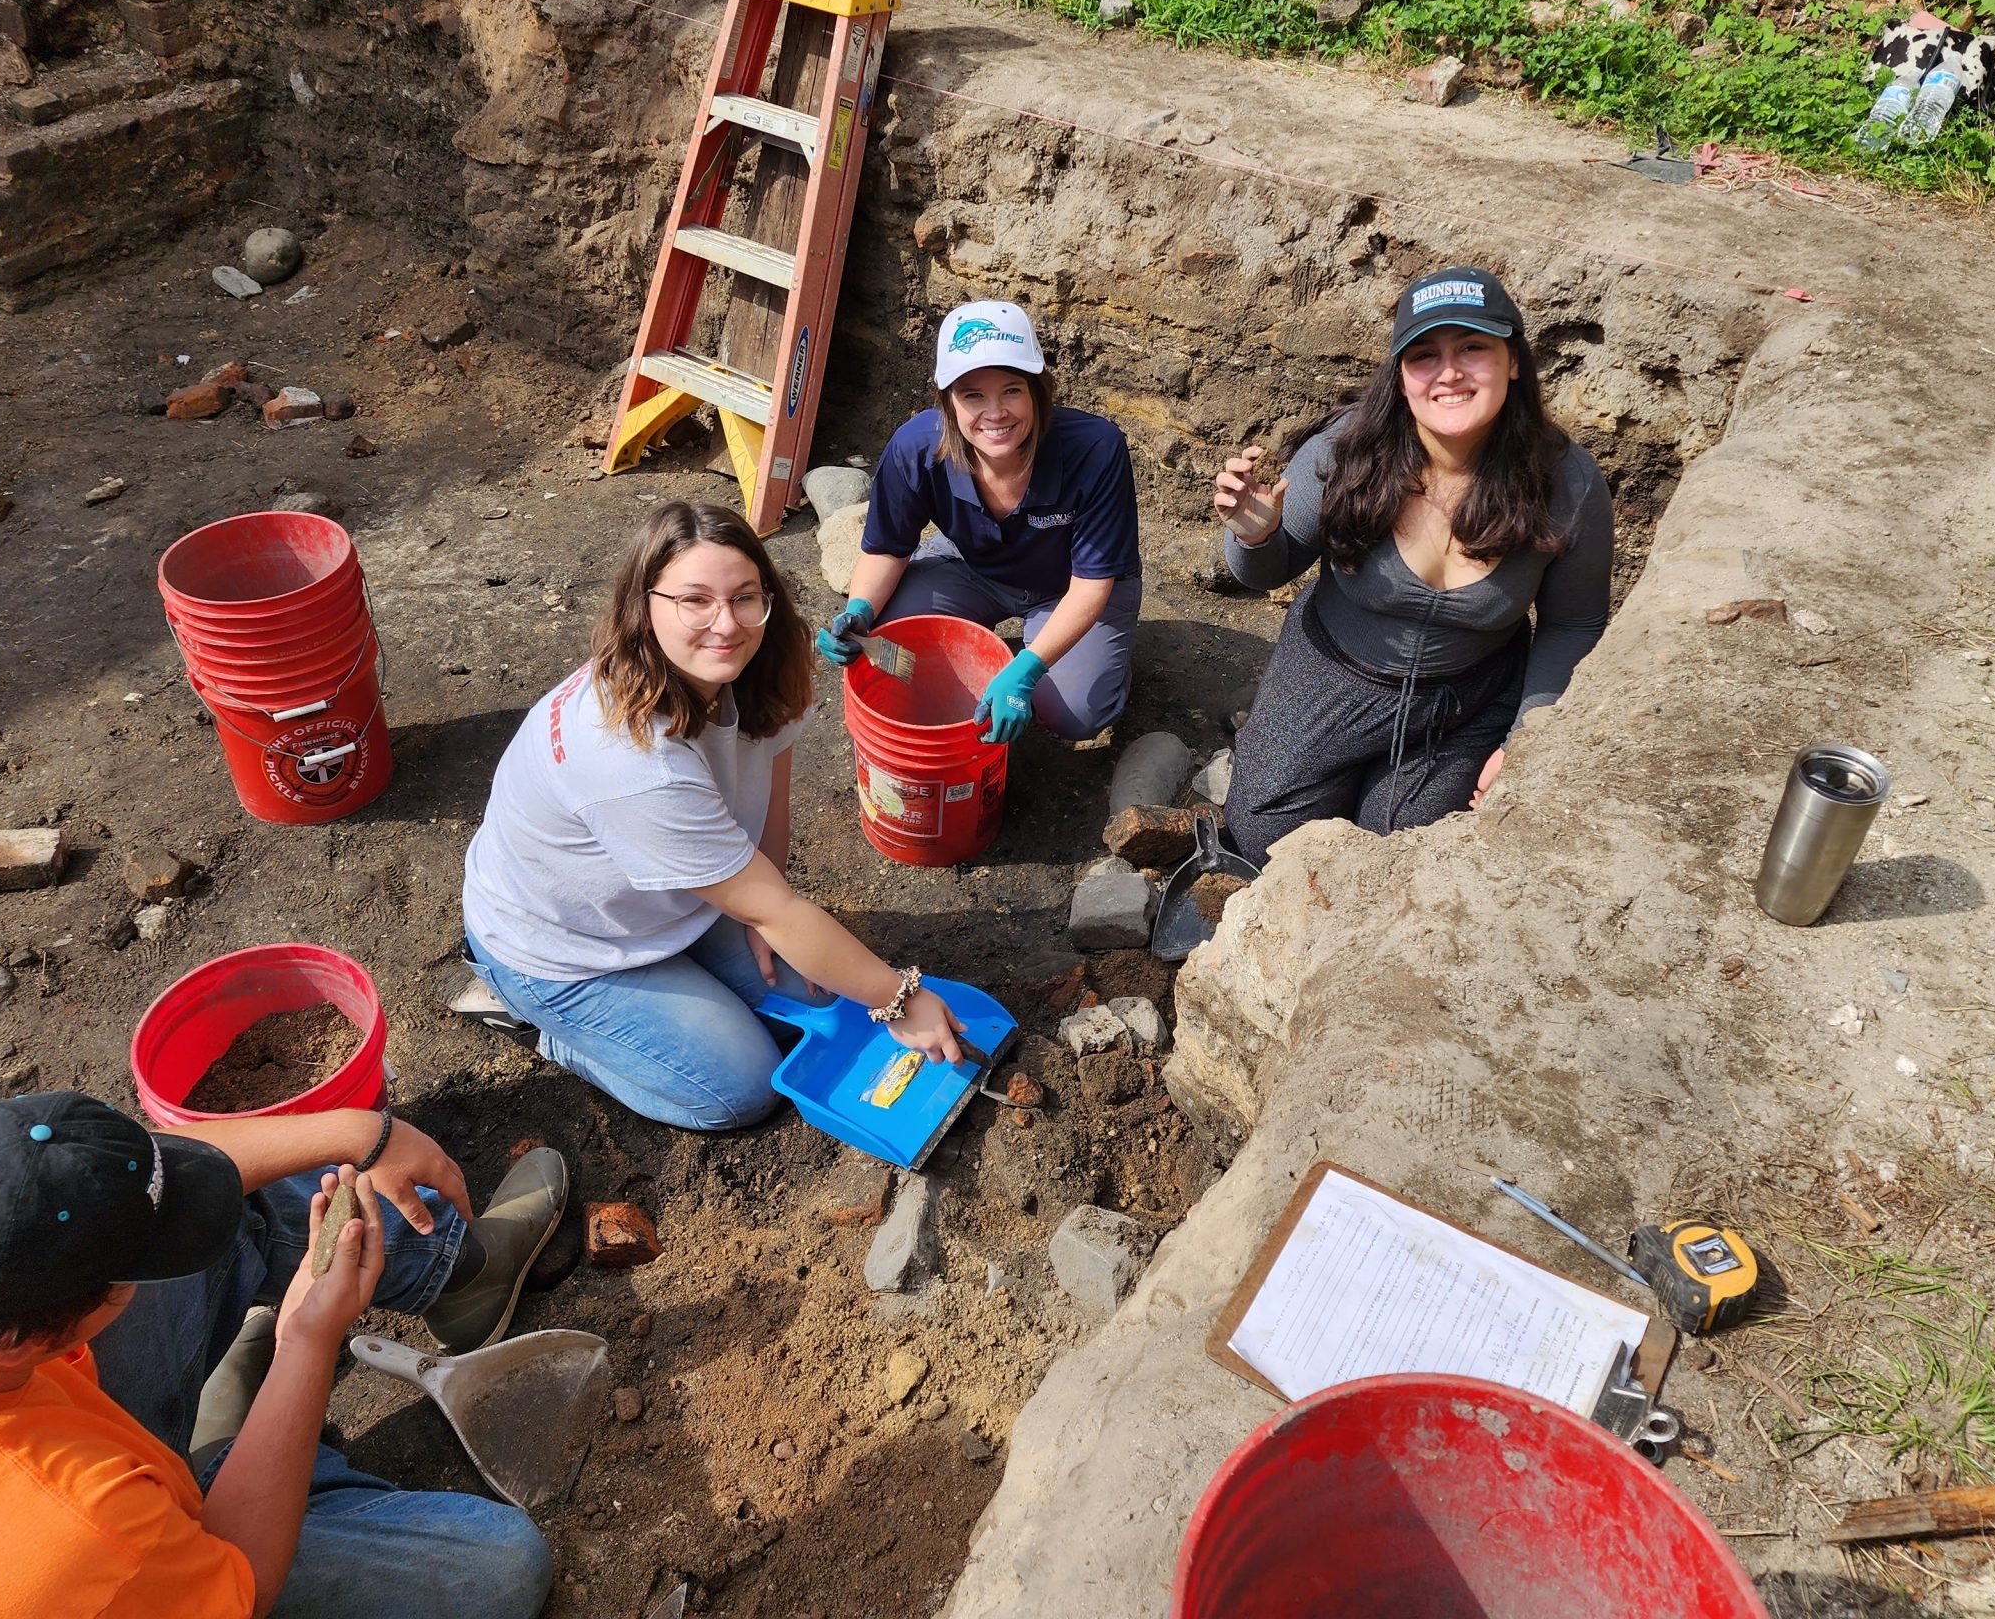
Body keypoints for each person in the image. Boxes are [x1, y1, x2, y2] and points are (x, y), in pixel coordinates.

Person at [0, 1088, 566, 1619]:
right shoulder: (71, 1532)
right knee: (495, 1571)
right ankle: (233, 1463)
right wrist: (305, 1341)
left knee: (217, 1207)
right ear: (24, 1343)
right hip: (76, 1577)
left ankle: (460, 1281)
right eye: (123, 1273)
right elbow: (245, 1577)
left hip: (7, 1512)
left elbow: (148, 1179)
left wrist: (361, 1132)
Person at [457, 499, 968, 1131]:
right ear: (645, 606)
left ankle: (697, 980)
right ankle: (551, 1028)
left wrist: (764, 901)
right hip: (564, 947)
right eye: (694, 600)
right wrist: (899, 998)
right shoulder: (631, 758)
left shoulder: (764, 665)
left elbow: (769, 787)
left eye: (744, 597)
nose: (726, 624)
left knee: (822, 992)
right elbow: (775, 910)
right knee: (740, 1087)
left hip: (678, 899)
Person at [1213, 265, 1614, 861]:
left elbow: (1572, 624)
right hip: (1330, 677)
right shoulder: (1345, 453)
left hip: (1464, 701)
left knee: (1402, 856)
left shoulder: (1569, 485)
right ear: (1400, 377)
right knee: (1263, 843)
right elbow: (1264, 573)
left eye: (1473, 347)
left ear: (1514, 361)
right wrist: (1254, 536)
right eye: (1424, 355)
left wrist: (1526, 737)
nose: (1448, 372)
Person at [818, 301, 1142, 743]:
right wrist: (859, 611)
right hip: (973, 567)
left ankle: (1096, 662)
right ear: (947, 401)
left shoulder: (1095, 450)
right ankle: (1005, 652)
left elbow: (1091, 585)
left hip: (1072, 584)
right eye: (973, 395)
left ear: (1037, 392)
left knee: (1075, 715)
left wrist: (1027, 670)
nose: (996, 413)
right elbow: (888, 548)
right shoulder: (916, 448)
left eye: (1012, 390)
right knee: (890, 649)